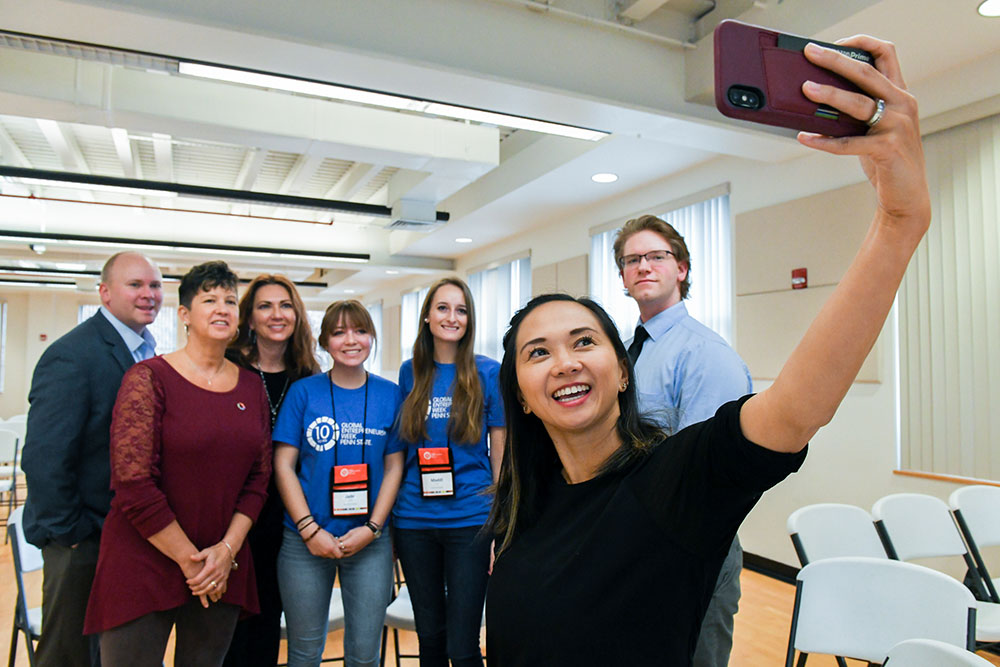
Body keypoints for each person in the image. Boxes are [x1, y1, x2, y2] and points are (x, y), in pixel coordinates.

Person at [486, 36, 929, 666]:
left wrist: (898, 221)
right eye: (538, 353)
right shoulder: (526, 501)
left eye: (584, 341)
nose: (565, 361)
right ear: (522, 399)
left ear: (620, 374)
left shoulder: (665, 486)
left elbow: (791, 412)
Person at [84, 261, 272, 667]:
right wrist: (193, 562)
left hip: (223, 563)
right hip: (145, 559)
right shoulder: (147, 378)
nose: (222, 308)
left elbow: (259, 480)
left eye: (229, 300)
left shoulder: (252, 386)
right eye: (209, 300)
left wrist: (224, 553)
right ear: (184, 314)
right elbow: (133, 484)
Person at [614, 214, 751, 667]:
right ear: (622, 277)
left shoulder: (704, 355)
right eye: (632, 260)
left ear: (682, 269)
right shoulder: (629, 350)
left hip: (692, 549)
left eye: (657, 256)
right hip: (637, 541)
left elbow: (707, 474)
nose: (644, 267)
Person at [21, 251, 163, 667]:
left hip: (122, 533)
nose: (148, 294)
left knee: (109, 652)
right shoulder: (74, 354)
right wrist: (72, 533)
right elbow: (45, 457)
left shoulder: (146, 351)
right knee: (69, 655)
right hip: (81, 539)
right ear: (104, 293)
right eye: (134, 285)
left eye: (154, 285)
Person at [272, 299, 405, 667]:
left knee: (365, 656)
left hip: (369, 543)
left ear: (372, 337)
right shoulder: (304, 392)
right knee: (303, 652)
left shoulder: (390, 394)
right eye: (339, 332)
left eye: (361, 330)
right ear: (325, 341)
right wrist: (309, 530)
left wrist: (373, 528)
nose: (351, 340)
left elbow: (395, 467)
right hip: (304, 541)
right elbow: (283, 465)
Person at [393, 277, 505, 667]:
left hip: (470, 522)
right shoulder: (411, 373)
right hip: (413, 521)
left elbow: (501, 458)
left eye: (461, 310)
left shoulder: (488, 373)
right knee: (430, 640)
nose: (452, 317)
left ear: (470, 320)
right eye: (443, 308)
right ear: (427, 315)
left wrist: (499, 525)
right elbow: (404, 450)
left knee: (463, 646)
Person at [223, 274, 320, 667]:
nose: (276, 315)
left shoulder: (310, 377)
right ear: (249, 318)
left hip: (286, 524)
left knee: (266, 629)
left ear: (296, 315)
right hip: (232, 522)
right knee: (227, 633)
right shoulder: (228, 370)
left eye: (285, 305)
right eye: (265, 306)